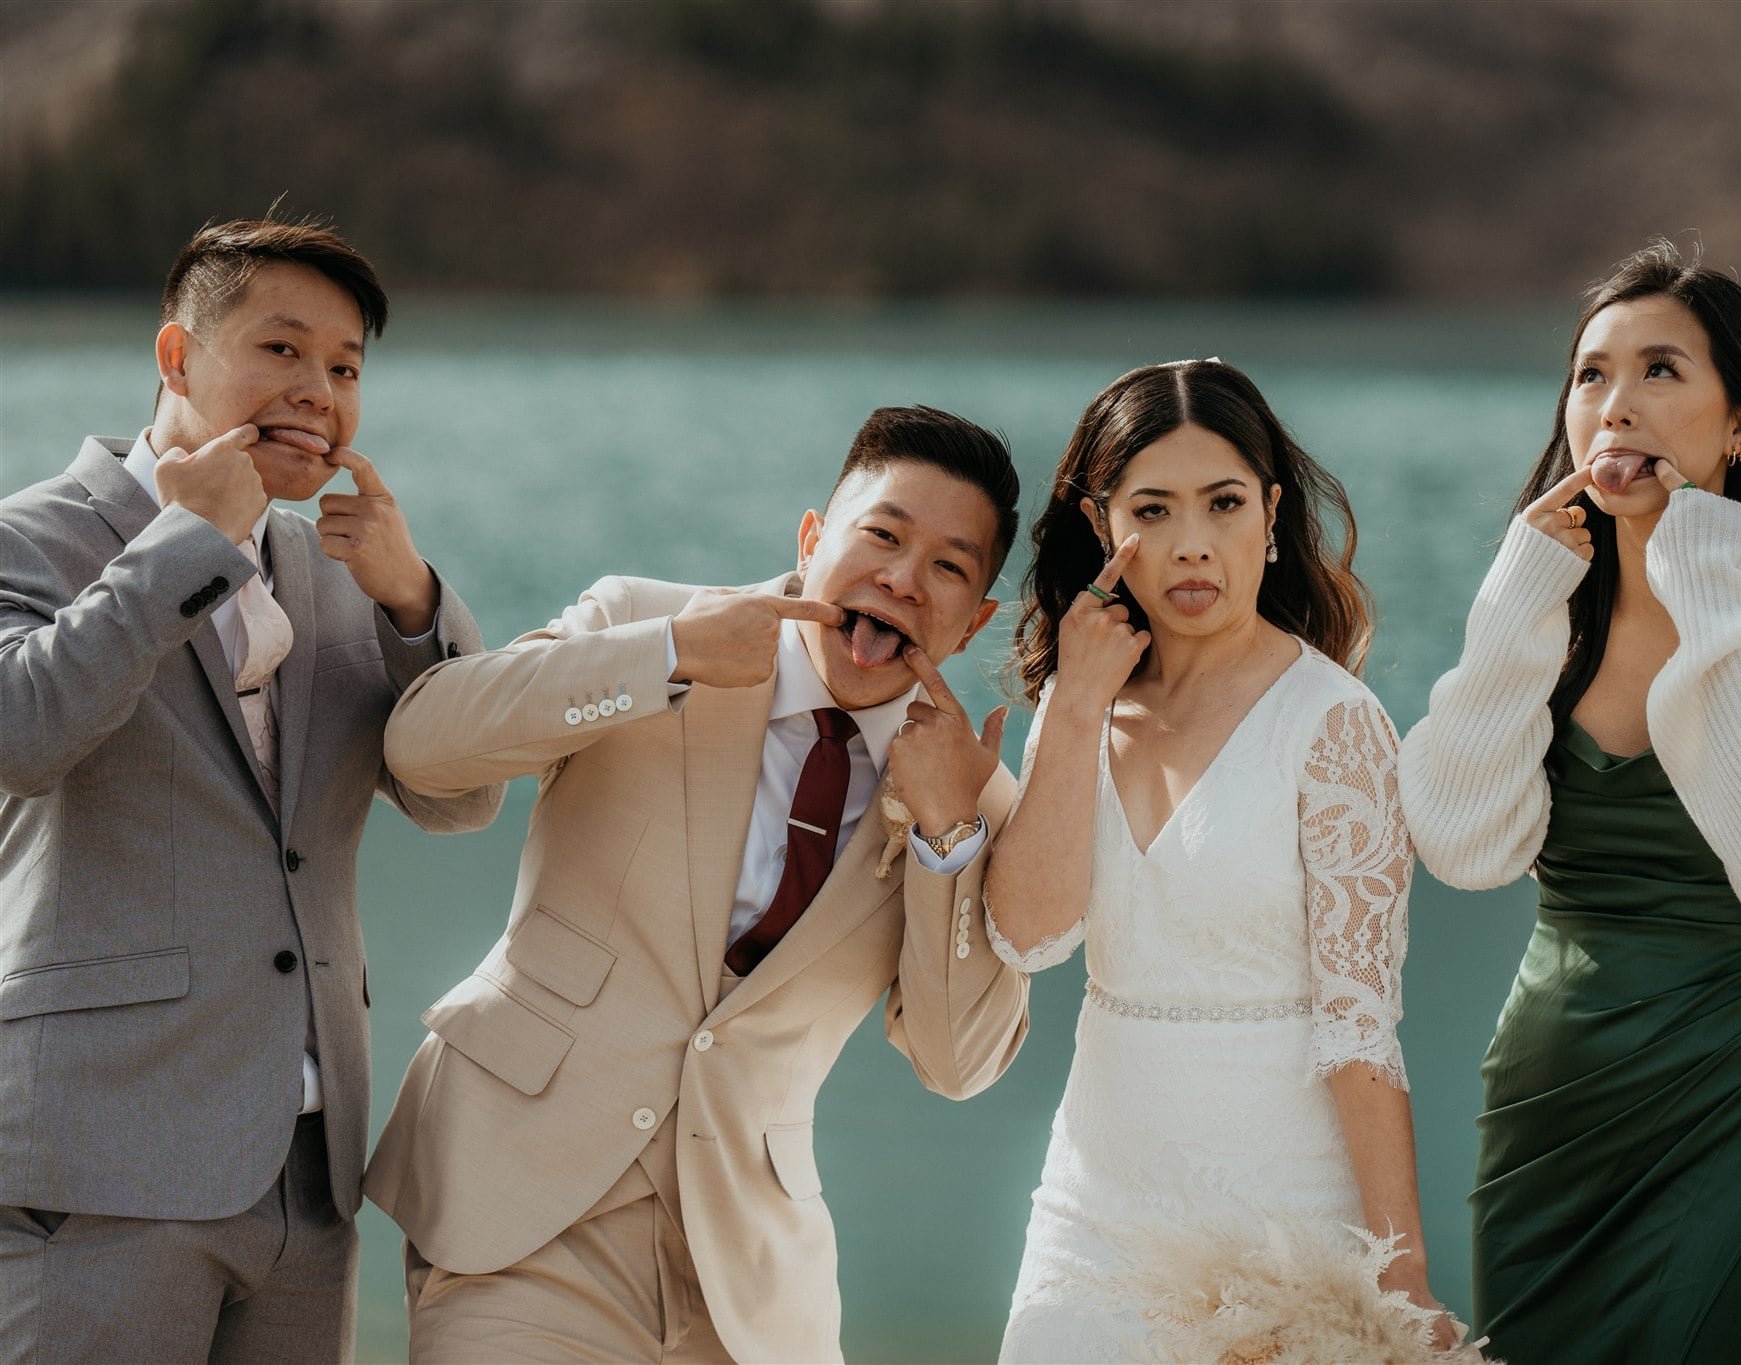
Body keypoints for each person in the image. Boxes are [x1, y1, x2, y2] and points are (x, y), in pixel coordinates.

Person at [365, 404, 1032, 1363]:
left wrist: (945, 836)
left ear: (973, 624)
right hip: (522, 1215)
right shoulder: (644, 620)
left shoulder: (973, 794)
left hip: (748, 1284)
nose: (901, 578)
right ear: (812, 539)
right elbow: (422, 748)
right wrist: (666, 655)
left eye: (948, 566)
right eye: (882, 536)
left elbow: (958, 1062)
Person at [0, 216, 503, 1362]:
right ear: (176, 358)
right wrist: (185, 543)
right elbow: (20, 733)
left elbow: (458, 801)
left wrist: (413, 600)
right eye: (281, 350)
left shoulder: (334, 578)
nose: (317, 390)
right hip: (95, 1167)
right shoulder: (27, 539)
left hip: (307, 1174)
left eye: (344, 367)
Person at [1400, 240, 1741, 1363]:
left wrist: (1703, 577)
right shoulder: (1547, 607)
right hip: (1554, 1111)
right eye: (1589, 375)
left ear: (1738, 425)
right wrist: (1515, 600)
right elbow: (1463, 845)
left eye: (1659, 371)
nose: (1614, 406)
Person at [987, 359, 1463, 1360]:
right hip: (1092, 1209)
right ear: (1097, 522)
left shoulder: (1331, 723)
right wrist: (1073, 707)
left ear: (1271, 513)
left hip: (1281, 1222)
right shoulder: (1074, 711)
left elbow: (1359, 1023)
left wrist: (1400, 1268)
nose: (1191, 545)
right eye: (1151, 510)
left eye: (1223, 503)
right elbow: (1028, 940)